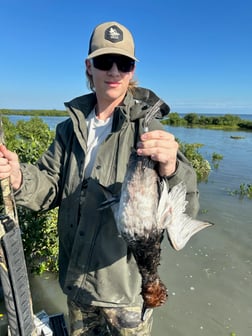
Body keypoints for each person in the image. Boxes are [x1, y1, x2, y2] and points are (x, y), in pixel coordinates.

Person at [0, 21, 199, 335]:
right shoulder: (68, 130)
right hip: (77, 286)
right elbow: (50, 188)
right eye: (105, 61)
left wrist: (172, 169)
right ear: (89, 66)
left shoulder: (152, 134)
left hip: (126, 296)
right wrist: (18, 176)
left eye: (125, 63)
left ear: (132, 71)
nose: (115, 71)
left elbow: (187, 206)